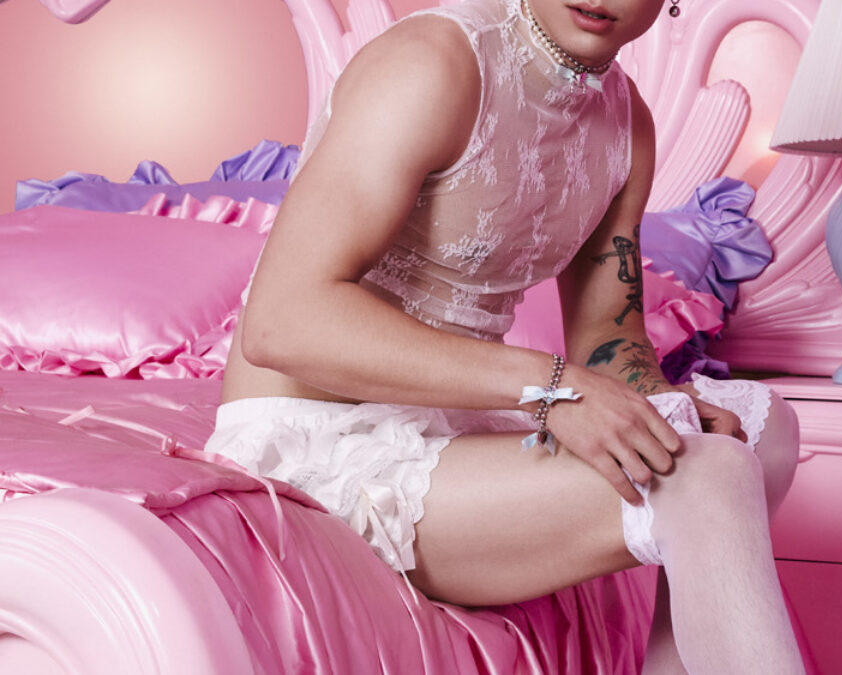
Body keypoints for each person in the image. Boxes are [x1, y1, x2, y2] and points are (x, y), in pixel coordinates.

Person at [205, 0, 806, 671]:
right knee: (708, 475)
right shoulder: (433, 63)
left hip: (462, 423)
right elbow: (283, 322)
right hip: (318, 437)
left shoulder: (626, 123)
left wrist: (661, 401)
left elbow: (607, 336)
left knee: (759, 426)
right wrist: (549, 388)